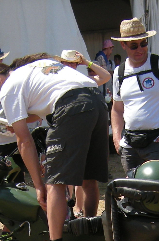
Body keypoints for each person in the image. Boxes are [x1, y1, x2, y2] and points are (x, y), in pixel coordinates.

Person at [0, 54, 109, 241]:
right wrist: (17, 119)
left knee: (54, 183)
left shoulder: (10, 86)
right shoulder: (35, 70)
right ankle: (89, 236)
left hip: (71, 105)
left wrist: (38, 185)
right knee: (89, 179)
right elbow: (45, 104)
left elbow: (24, 141)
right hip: (96, 100)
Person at [110, 18, 159, 176]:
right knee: (132, 189)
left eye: (143, 43)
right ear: (123, 45)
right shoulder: (119, 72)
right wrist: (117, 139)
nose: (140, 49)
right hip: (130, 146)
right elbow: (117, 109)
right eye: (134, 45)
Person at [59, 49, 112, 218]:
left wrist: (87, 62)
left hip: (85, 129)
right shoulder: (57, 81)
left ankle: (89, 220)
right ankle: (68, 215)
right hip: (67, 129)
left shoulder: (84, 80)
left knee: (88, 180)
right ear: (61, 63)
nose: (71, 66)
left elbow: (106, 76)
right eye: (67, 63)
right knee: (64, 179)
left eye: (74, 63)